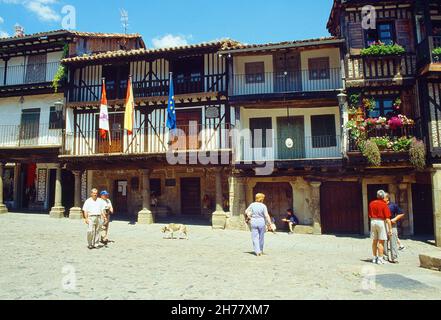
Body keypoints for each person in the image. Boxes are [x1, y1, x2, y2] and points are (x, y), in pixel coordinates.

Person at [369, 190, 393, 265]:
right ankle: (380, 259)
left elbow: (369, 214)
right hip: (381, 222)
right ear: (383, 197)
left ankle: (374, 257)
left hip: (373, 221)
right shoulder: (384, 204)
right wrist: (390, 229)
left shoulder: (371, 203)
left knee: (374, 241)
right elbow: (388, 218)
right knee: (381, 241)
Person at [384, 193, 406, 263]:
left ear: (387, 198)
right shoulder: (381, 205)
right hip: (383, 224)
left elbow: (401, 213)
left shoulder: (393, 205)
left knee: (393, 240)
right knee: (384, 241)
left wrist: (395, 219)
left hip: (392, 224)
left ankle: (394, 257)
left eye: (383, 197)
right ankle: (385, 257)